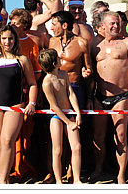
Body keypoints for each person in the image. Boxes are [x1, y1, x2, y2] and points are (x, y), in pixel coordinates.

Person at [90, 11, 128, 184]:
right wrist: (90, 96)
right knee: (98, 136)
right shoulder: (94, 46)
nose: (116, 26)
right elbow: (90, 72)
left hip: (121, 96)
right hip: (99, 96)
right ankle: (99, 169)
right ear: (102, 26)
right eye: (112, 23)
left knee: (120, 137)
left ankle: (120, 175)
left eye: (118, 23)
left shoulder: (127, 44)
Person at [0, 25, 38, 184]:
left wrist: (31, 103)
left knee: (8, 140)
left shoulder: (22, 59)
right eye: (3, 38)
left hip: (15, 104)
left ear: (15, 40)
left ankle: (3, 180)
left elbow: (32, 83)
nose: (7, 41)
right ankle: (5, 178)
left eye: (10, 38)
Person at [39, 49, 82, 184]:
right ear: (53, 63)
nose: (60, 59)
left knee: (76, 147)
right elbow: (54, 106)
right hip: (56, 116)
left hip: (69, 113)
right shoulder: (47, 82)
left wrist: (77, 112)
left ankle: (76, 179)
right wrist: (67, 122)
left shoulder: (63, 74)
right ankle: (58, 180)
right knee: (57, 149)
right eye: (58, 58)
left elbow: (70, 93)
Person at [8, 8, 41, 179]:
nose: (12, 25)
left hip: (26, 94)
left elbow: (36, 72)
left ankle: (23, 168)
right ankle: (12, 168)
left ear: (24, 25)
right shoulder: (7, 42)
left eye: (16, 22)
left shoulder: (32, 44)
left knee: (25, 134)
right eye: (11, 21)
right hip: (7, 94)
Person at [47, 10, 92, 111]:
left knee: (75, 123)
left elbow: (89, 70)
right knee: (56, 121)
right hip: (56, 86)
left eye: (54, 24)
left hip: (74, 87)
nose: (51, 28)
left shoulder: (81, 43)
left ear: (64, 25)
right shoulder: (52, 42)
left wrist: (89, 98)